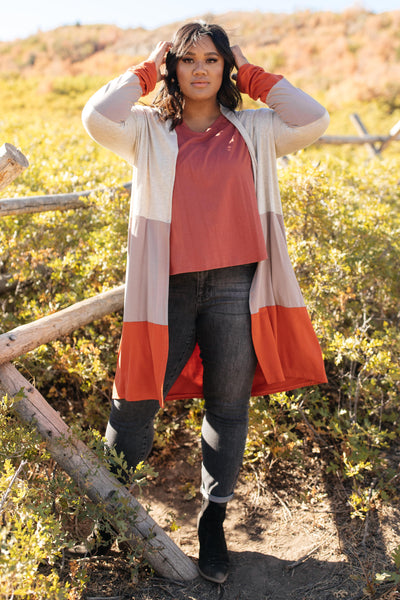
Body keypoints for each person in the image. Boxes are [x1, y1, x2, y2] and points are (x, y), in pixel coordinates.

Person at [82, 21, 329, 584]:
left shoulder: (256, 128)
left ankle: (213, 524)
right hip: (165, 291)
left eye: (213, 60)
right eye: (187, 59)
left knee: (228, 406)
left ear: (226, 69)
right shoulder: (148, 129)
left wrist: (251, 70)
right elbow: (96, 116)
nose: (200, 69)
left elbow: (314, 118)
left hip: (236, 288)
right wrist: (144, 69)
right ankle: (107, 519)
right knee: (136, 401)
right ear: (173, 67)